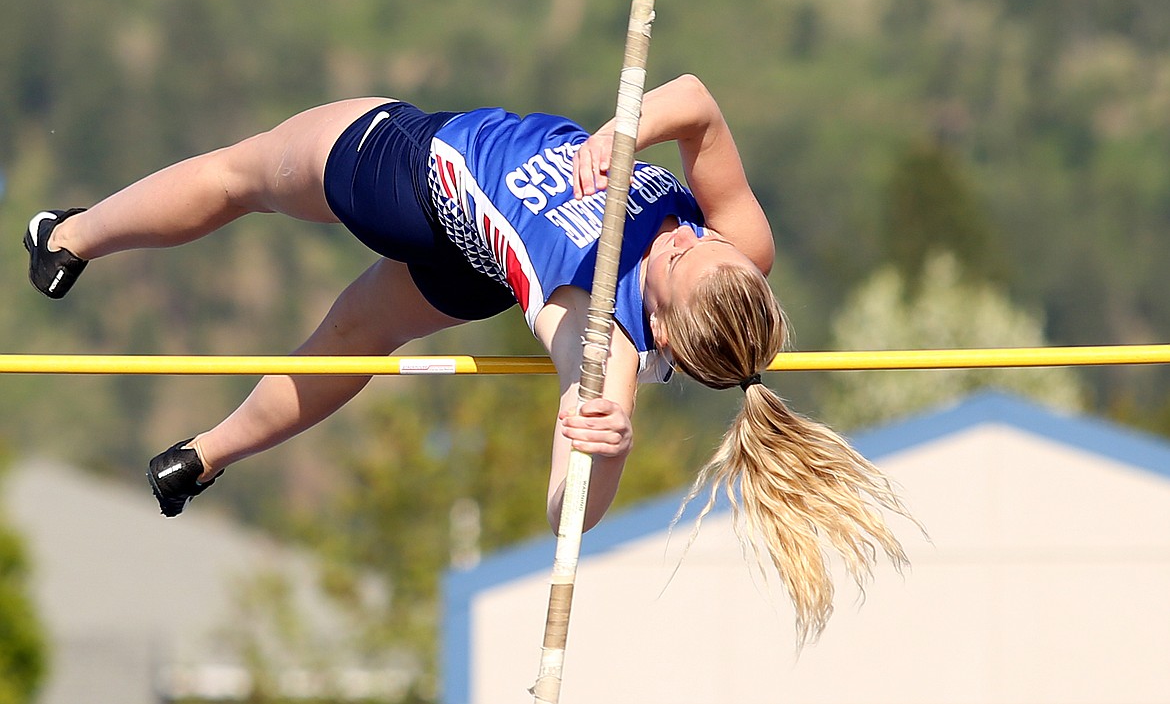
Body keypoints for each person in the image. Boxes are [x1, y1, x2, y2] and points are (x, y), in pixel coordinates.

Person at [23, 74, 913, 644]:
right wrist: (626, 128)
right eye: (695, 244)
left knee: (240, 177)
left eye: (675, 266)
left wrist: (600, 452)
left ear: (667, 337)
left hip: (419, 175)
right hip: (478, 262)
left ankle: (66, 238)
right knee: (352, 342)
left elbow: (570, 504)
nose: (681, 241)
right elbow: (703, 103)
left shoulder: (600, 336)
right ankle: (203, 456)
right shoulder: (738, 244)